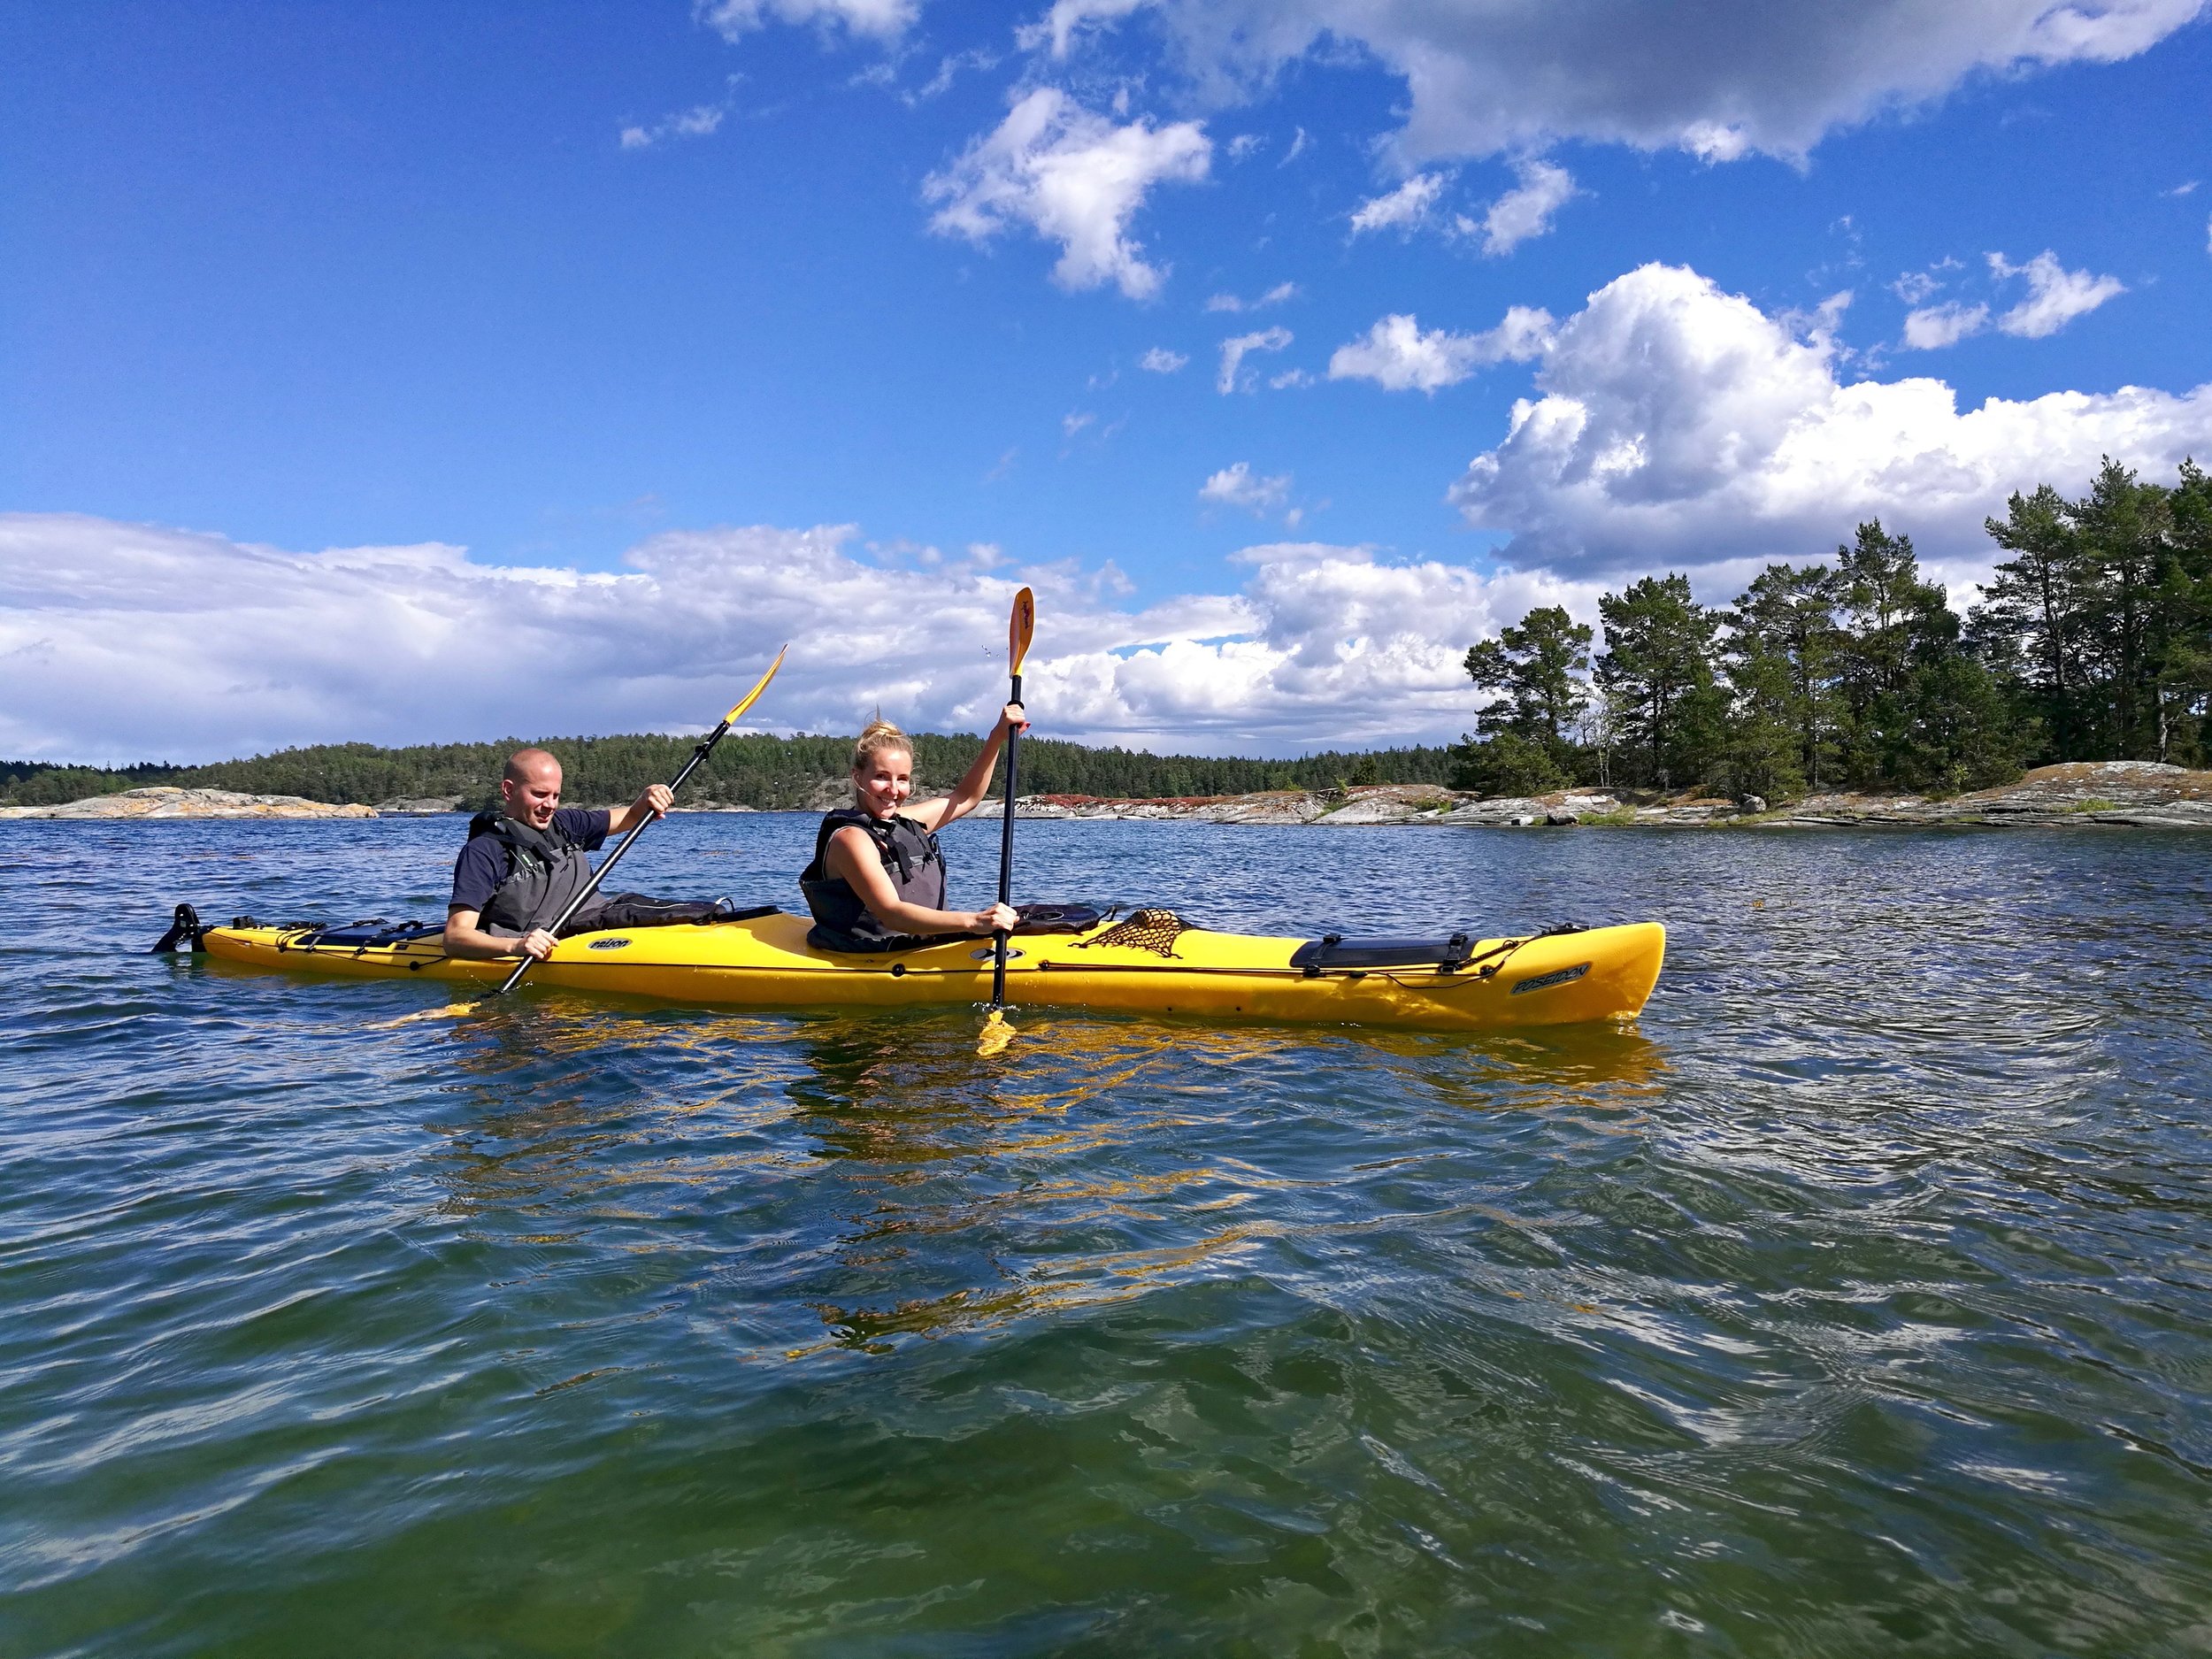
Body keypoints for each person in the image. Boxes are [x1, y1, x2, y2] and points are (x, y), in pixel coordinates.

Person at [445, 748, 722, 961]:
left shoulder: (566, 823)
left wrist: (648, 796)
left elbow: (631, 816)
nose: (549, 805)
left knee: (704, 911)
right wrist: (516, 945)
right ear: (509, 790)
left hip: (597, 915)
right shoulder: (483, 851)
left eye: (555, 795)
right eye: (540, 794)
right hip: (553, 936)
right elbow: (456, 937)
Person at [800, 707, 1027, 950]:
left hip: (920, 948)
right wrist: (974, 920)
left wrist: (997, 737)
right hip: (878, 959)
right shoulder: (851, 839)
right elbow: (892, 913)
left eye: (903, 779)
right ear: (858, 778)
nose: (894, 790)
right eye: (882, 776)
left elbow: (966, 797)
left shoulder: (902, 822)